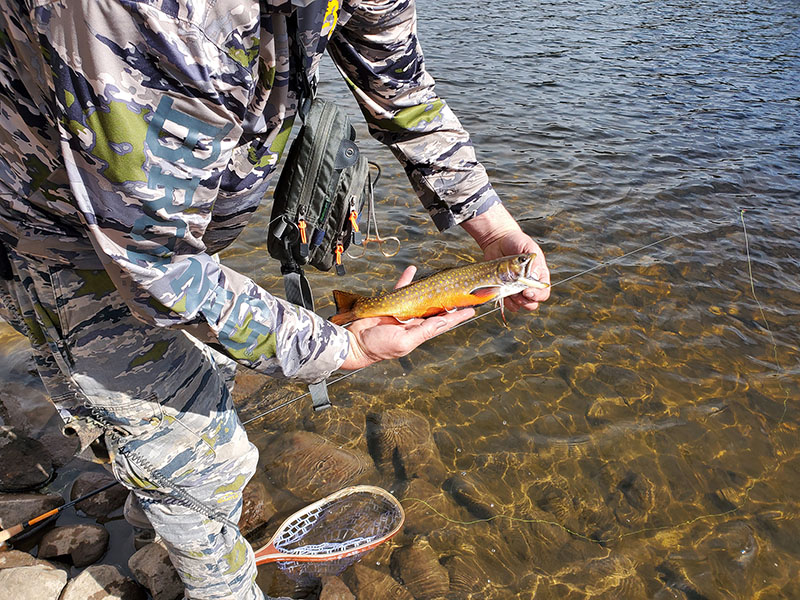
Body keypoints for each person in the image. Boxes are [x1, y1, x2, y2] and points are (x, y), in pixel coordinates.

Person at [0, 0, 550, 598]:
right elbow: (156, 264)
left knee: (196, 394)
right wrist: (339, 347)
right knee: (209, 459)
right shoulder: (155, 15)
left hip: (164, 230)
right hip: (58, 231)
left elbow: (400, 83)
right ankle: (215, 574)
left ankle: (155, 510)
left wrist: (491, 227)